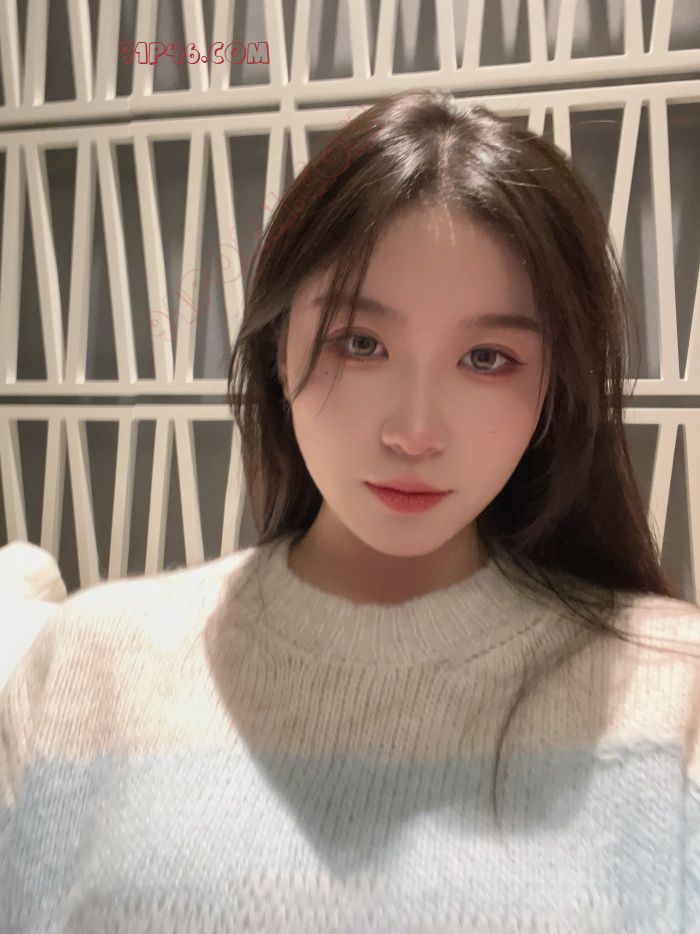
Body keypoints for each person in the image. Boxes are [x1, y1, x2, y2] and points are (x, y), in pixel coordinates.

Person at [1, 88, 699, 932]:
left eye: (488, 357)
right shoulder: (91, 663)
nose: (414, 433)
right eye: (360, 343)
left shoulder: (671, 687)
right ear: (277, 349)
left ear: (556, 384)